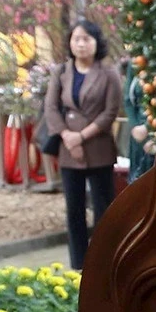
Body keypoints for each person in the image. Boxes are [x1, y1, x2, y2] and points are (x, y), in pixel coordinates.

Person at [41, 18, 122, 270]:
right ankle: (78, 264)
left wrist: (82, 136)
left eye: (86, 39)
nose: (81, 44)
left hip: (98, 148)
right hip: (68, 151)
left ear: (96, 42)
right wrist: (67, 135)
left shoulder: (108, 73)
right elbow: (51, 108)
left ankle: (103, 263)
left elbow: (110, 112)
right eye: (76, 39)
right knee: (74, 210)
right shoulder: (61, 72)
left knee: (103, 209)